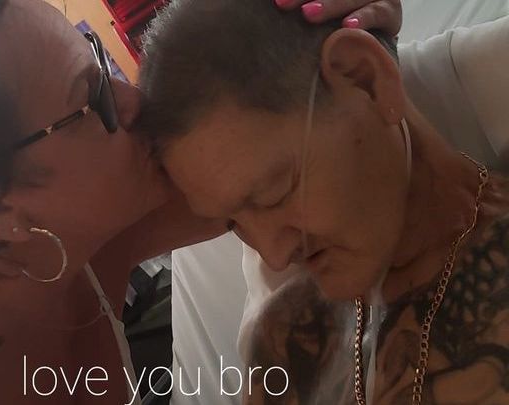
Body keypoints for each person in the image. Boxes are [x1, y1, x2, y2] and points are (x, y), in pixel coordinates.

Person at [0, 0, 401, 404]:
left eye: (99, 60)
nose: (132, 100)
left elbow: (285, 136)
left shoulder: (82, 216)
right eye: (91, 101)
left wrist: (342, 25)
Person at [139, 0, 509, 403]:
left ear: (364, 78)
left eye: (274, 193)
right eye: (234, 224)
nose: (275, 257)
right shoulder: (284, 338)